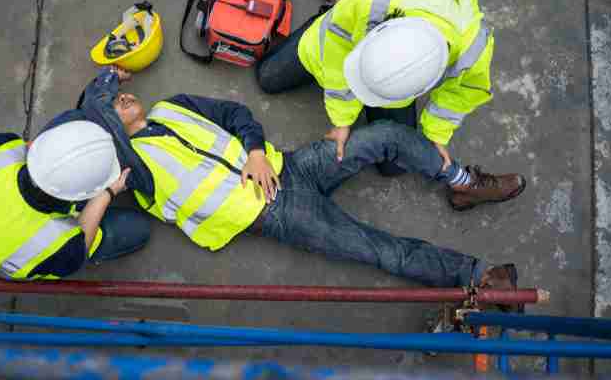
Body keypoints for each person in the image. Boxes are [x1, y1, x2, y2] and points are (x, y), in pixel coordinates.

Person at [59, 66, 518, 295]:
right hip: (277, 213)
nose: (124, 96)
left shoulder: (171, 106)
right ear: (108, 129)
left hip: (289, 165)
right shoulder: (128, 169)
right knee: (381, 249)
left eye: (118, 92)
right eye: (114, 103)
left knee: (386, 135)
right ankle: (479, 277)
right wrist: (98, 94)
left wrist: (256, 152)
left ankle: (460, 180)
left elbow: (235, 114)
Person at [255, 0, 525, 212]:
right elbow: (335, 58)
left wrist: (436, 135)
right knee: (268, 77)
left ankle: (464, 183)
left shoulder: (473, 47)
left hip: (402, 25)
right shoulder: (371, 3)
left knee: (394, 166)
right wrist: (342, 120)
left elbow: (462, 94)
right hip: (347, 24)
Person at [0, 120, 150, 280]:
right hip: (12, 261)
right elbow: (81, 247)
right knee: (138, 228)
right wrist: (108, 192)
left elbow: (32, 147)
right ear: (83, 194)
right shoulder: (58, 247)